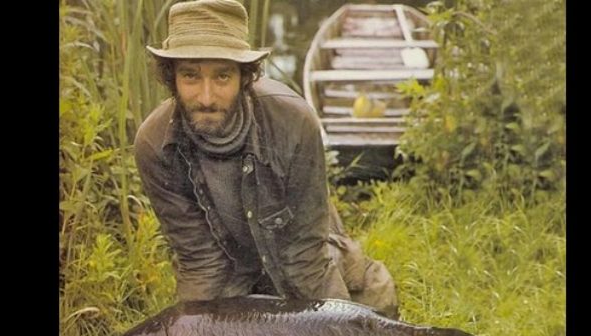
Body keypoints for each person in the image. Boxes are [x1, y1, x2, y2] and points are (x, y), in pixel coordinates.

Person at [134, 0, 399, 317]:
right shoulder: (154, 145)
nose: (206, 98)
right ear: (171, 78)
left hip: (306, 262)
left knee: (376, 309)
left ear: (245, 78)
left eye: (222, 77)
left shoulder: (294, 122)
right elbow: (200, 260)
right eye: (191, 76)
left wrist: (340, 331)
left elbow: (306, 254)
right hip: (237, 283)